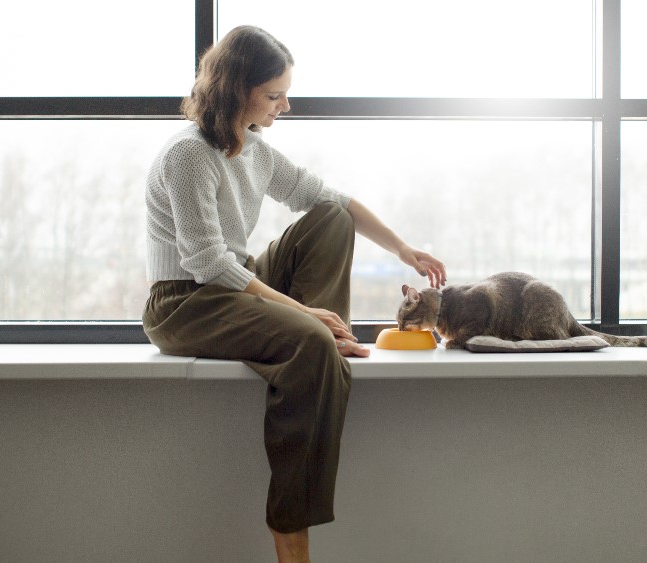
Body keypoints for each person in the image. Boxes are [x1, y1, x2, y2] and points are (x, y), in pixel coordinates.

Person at [141, 25, 446, 563]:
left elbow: (332, 199)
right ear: (239, 91)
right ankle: (292, 546)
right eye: (275, 94)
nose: (287, 104)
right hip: (184, 302)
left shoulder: (254, 151)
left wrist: (404, 249)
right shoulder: (187, 155)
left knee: (329, 217)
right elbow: (209, 265)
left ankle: (326, 340)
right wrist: (304, 312)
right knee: (308, 338)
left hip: (233, 284)